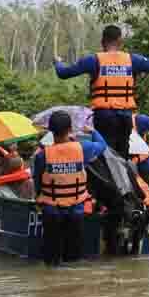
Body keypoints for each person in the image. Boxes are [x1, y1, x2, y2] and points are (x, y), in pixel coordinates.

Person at [53, 25, 149, 159]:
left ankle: (109, 185)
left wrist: (57, 62)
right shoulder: (132, 60)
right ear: (120, 41)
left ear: (103, 42)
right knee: (122, 156)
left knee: (106, 154)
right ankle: (124, 184)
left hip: (104, 116)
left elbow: (64, 73)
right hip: (125, 116)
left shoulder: (93, 60)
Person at [33, 111, 108, 265]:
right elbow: (102, 145)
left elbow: (38, 182)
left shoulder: (42, 155)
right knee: (73, 260)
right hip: (76, 210)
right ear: (70, 129)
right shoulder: (83, 148)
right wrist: (93, 131)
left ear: (50, 131)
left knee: (52, 260)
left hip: (51, 211)